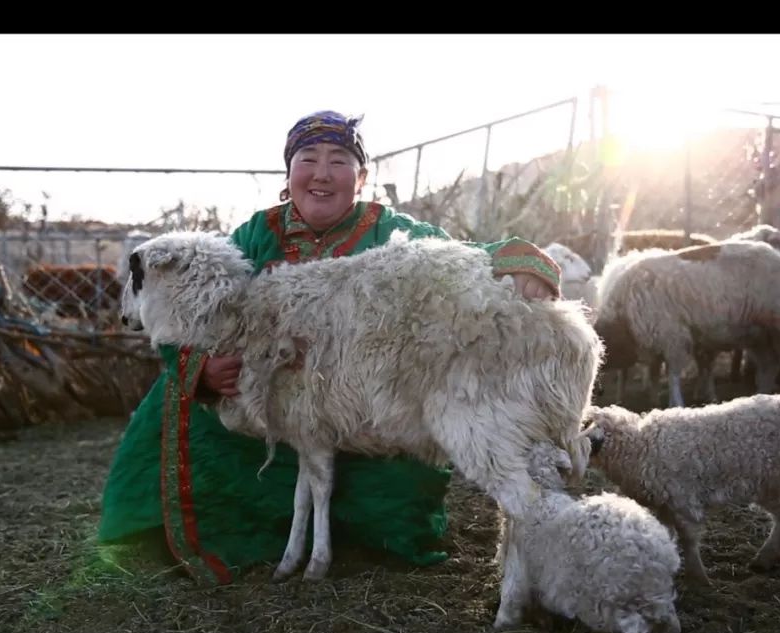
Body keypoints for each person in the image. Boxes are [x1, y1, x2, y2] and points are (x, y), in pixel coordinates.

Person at [97, 110, 562, 584]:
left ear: (360, 179)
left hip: (370, 409)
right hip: (276, 412)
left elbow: (458, 261)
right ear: (289, 174)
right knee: (171, 405)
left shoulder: (391, 232)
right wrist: (202, 368)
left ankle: (365, 535)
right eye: (308, 158)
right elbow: (194, 312)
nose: (322, 172)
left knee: (390, 493)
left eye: (339, 160)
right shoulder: (257, 235)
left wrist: (519, 257)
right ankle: (188, 530)